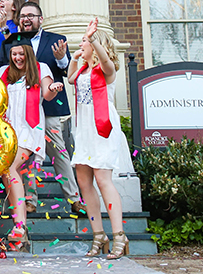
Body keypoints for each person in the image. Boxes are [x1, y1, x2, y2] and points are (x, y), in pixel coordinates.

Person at [0, 2, 82, 215]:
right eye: (22, 15)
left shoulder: (55, 40)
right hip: (18, 112)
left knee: (59, 153)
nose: (26, 19)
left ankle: (74, 197)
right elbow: (3, 66)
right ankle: (29, 199)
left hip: (49, 107)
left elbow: (65, 69)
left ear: (40, 18)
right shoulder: (13, 41)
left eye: (31, 15)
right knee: (25, 157)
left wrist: (61, 58)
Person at [69, 18, 133, 260]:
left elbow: (105, 61)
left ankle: (119, 235)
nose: (82, 44)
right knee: (84, 182)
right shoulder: (82, 71)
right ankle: (98, 234)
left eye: (85, 41)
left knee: (103, 179)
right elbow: (70, 79)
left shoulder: (106, 72)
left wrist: (93, 39)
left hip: (102, 128)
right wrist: (75, 58)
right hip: (84, 129)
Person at [0, 31, 64, 248]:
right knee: (8, 176)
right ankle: (20, 227)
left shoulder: (40, 68)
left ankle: (20, 226)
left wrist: (53, 90)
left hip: (29, 130)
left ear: (27, 52)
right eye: (14, 54)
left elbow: (46, 93)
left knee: (10, 170)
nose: (17, 58)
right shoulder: (3, 72)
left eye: (21, 54)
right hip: (6, 132)